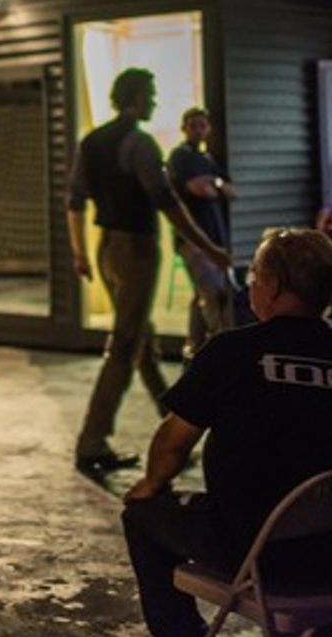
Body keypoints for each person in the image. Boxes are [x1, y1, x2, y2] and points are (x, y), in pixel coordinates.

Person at [120, 227, 332, 637]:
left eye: (254, 275)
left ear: (271, 287)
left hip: (252, 549)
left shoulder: (230, 352)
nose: (251, 284)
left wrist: (150, 483)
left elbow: (173, 443)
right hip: (329, 552)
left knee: (141, 516)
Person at [67, 69, 233, 481]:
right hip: (135, 249)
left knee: (141, 337)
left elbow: (74, 200)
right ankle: (92, 441)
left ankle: (172, 418)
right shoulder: (138, 143)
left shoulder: (91, 141)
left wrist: (80, 252)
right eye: (152, 93)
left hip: (106, 247)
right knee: (125, 344)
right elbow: (167, 202)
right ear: (136, 97)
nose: (156, 100)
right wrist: (209, 247)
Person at [167, 107, 236, 359]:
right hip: (194, 240)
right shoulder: (180, 156)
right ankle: (222, 353)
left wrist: (214, 183)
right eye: (193, 125)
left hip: (216, 239)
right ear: (184, 128)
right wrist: (214, 185)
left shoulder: (208, 159)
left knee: (205, 295)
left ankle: (195, 350)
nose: (198, 129)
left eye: (202, 125)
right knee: (214, 295)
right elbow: (199, 189)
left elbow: (230, 191)